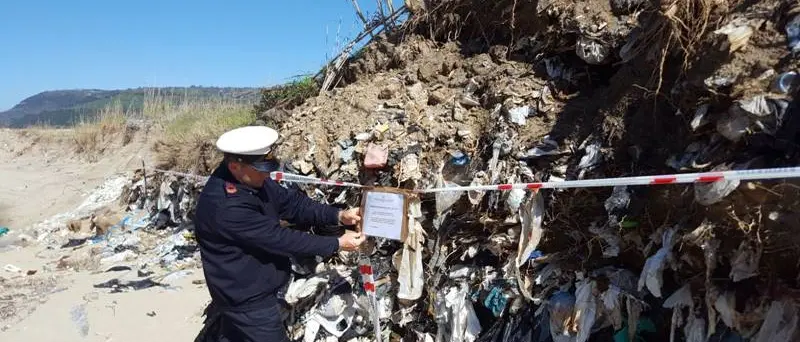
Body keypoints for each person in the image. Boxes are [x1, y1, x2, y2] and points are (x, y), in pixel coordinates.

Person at [193, 125, 366, 342]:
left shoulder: (253, 179)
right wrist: (337, 243)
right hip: (246, 298)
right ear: (236, 166)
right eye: (260, 168)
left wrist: (338, 215)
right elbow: (281, 239)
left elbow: (292, 204)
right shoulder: (226, 206)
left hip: (256, 286)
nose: (266, 173)